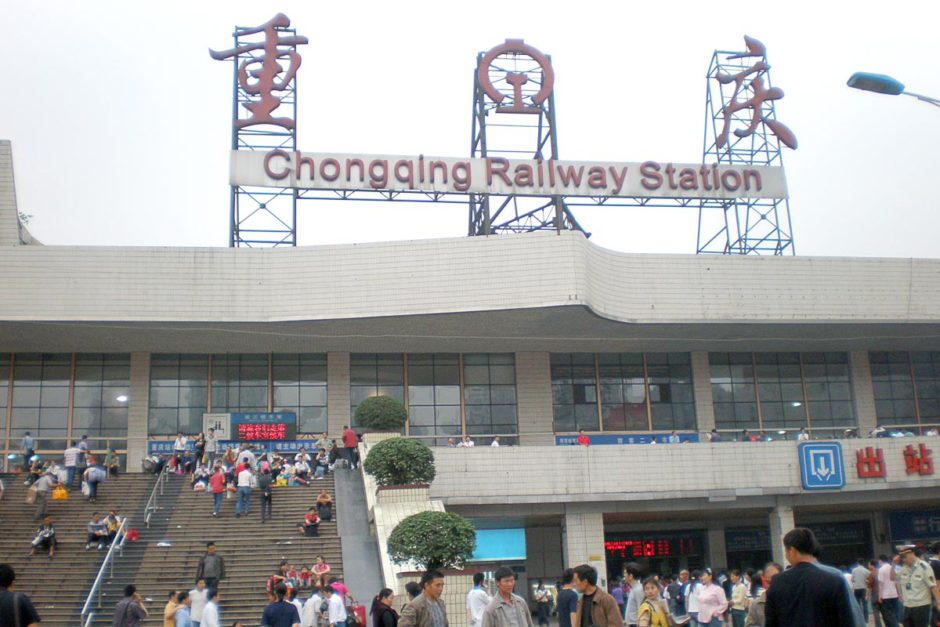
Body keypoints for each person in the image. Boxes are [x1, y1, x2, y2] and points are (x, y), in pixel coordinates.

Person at [764, 528, 861, 627]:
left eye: (786, 550)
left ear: (792, 551)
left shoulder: (778, 582)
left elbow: (771, 622)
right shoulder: (834, 580)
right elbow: (847, 620)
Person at [896, 545, 940, 627]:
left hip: (921, 606)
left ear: (912, 554)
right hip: (907, 605)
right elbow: (892, 578)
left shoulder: (924, 567)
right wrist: (893, 564)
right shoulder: (903, 568)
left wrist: (938, 602)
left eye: (905, 557)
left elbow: (933, 586)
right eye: (902, 558)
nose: (903, 560)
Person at [744, 562, 780, 627]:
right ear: (763, 580)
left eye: (775, 581)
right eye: (768, 582)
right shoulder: (756, 604)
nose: (771, 586)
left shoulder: (791, 601)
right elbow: (749, 625)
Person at [878, 553, 901, 627]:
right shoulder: (892, 568)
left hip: (885, 596)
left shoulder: (881, 569)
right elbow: (896, 582)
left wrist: (879, 596)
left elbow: (881, 583)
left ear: (880, 561)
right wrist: (899, 593)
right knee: (895, 614)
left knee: (888, 616)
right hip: (894, 594)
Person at [850, 557, 870, 624]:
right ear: (863, 563)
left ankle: (859, 620)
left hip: (856, 589)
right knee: (865, 604)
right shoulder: (866, 570)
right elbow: (868, 580)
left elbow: (852, 580)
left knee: (857, 605)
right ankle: (866, 621)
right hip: (864, 589)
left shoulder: (854, 570)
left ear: (857, 563)